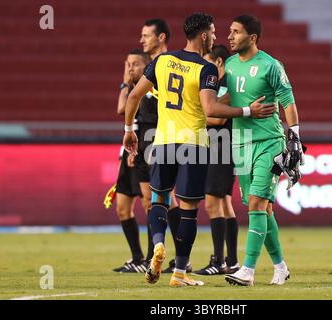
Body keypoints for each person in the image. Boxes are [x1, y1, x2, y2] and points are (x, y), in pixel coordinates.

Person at [123, 12, 274, 287]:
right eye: (214, 33)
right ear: (203, 35)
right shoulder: (205, 69)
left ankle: (158, 244)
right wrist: (247, 109)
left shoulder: (162, 61)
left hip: (164, 139)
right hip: (193, 144)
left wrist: (129, 131)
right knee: (189, 209)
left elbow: (133, 95)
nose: (217, 37)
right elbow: (211, 109)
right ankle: (180, 273)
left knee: (159, 200)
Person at [223, 15, 303, 287]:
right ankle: (280, 267)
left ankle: (247, 270)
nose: (230, 37)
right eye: (229, 32)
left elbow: (288, 103)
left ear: (252, 37)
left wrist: (294, 138)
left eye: (236, 32)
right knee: (263, 208)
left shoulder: (270, 65)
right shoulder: (230, 65)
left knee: (257, 202)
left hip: (269, 142)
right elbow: (223, 100)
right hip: (240, 142)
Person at [138, 18, 191, 273]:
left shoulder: (166, 67)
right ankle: (163, 256)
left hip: (163, 140)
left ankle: (173, 257)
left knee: (160, 199)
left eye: (147, 35)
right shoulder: (153, 67)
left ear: (162, 38)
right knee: (159, 199)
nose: (142, 39)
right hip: (156, 140)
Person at [193, 45, 239, 276]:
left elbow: (217, 119)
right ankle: (231, 261)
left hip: (222, 147)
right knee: (224, 202)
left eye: (207, 61)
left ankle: (218, 261)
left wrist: (196, 115)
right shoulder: (221, 86)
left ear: (218, 62)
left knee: (212, 202)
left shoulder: (224, 85)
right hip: (220, 146)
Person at [112, 49, 151, 273]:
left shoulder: (149, 91)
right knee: (122, 208)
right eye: (127, 64)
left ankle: (149, 257)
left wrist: (139, 151)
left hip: (142, 151)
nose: (130, 68)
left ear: (145, 67)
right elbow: (120, 109)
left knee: (149, 204)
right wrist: (126, 84)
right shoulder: (129, 89)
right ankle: (137, 257)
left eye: (135, 64)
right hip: (127, 152)